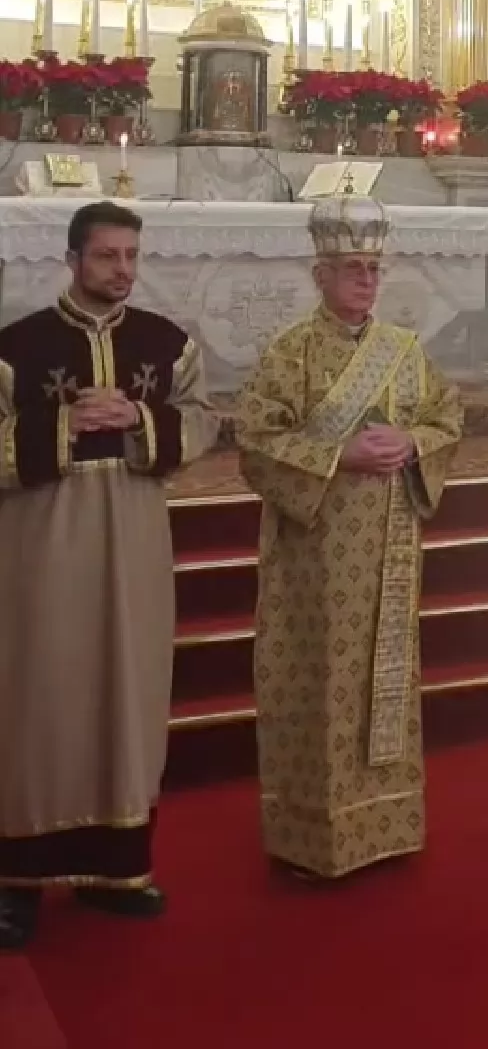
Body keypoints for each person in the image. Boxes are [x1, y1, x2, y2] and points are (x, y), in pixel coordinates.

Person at [0, 202, 215, 950]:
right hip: (43, 548)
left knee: (127, 691)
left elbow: (202, 419)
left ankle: (115, 867)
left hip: (134, 544)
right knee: (40, 698)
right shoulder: (17, 347)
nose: (122, 270)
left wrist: (138, 421)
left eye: (131, 255)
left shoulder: (166, 342)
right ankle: (17, 878)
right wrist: (65, 424)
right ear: (71, 260)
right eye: (106, 256)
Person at [237, 200, 464, 879]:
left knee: (381, 679)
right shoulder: (290, 352)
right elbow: (255, 441)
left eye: (373, 268)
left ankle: (384, 824)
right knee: (319, 681)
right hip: (315, 555)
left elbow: (447, 416)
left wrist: (413, 442)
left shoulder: (404, 351)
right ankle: (312, 836)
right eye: (351, 268)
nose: (366, 280)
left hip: (389, 547)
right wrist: (340, 456)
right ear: (320, 274)